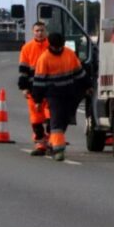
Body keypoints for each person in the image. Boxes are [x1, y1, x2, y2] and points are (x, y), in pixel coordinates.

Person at [31, 32, 91, 162]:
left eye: (60, 47)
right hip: (54, 95)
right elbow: (39, 82)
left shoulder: (69, 54)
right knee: (57, 121)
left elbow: (79, 73)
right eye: (55, 47)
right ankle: (58, 149)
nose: (58, 49)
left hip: (69, 94)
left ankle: (53, 142)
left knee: (65, 120)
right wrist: (38, 100)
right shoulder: (44, 59)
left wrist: (87, 86)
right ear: (50, 46)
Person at [18, 21, 51, 155]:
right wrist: (24, 88)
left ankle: (52, 140)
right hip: (33, 89)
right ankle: (40, 143)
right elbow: (23, 70)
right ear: (33, 32)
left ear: (46, 31)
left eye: (42, 30)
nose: (39, 33)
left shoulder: (51, 46)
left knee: (51, 116)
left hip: (50, 88)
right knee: (36, 119)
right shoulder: (27, 48)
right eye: (37, 30)